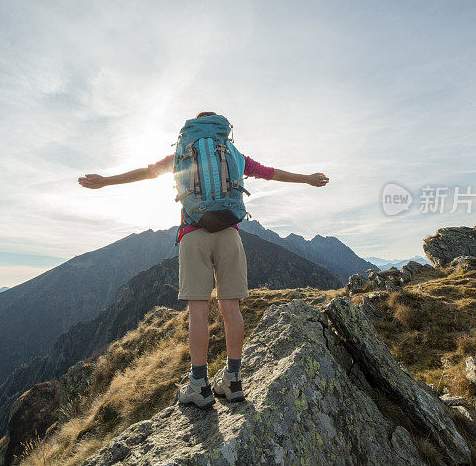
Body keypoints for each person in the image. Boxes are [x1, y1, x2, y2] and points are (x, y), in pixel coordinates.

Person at [78, 112, 329, 409]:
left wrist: (106, 181)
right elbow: (271, 172)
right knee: (231, 308)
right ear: (223, 130)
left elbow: (147, 172)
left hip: (193, 234)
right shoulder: (233, 154)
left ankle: (199, 385)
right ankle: (233, 381)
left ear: (192, 129)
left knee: (198, 311)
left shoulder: (182, 152)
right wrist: (308, 179)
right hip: (230, 235)